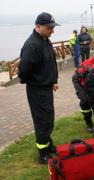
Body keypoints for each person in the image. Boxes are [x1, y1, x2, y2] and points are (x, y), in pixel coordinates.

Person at [18, 12, 60, 164]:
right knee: (42, 120)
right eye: (49, 28)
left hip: (46, 88)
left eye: (52, 28)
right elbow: (23, 71)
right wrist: (37, 81)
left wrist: (53, 80)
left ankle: (48, 145)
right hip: (37, 90)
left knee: (48, 118)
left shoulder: (45, 40)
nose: (52, 31)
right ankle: (43, 153)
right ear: (38, 26)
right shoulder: (32, 45)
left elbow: (51, 62)